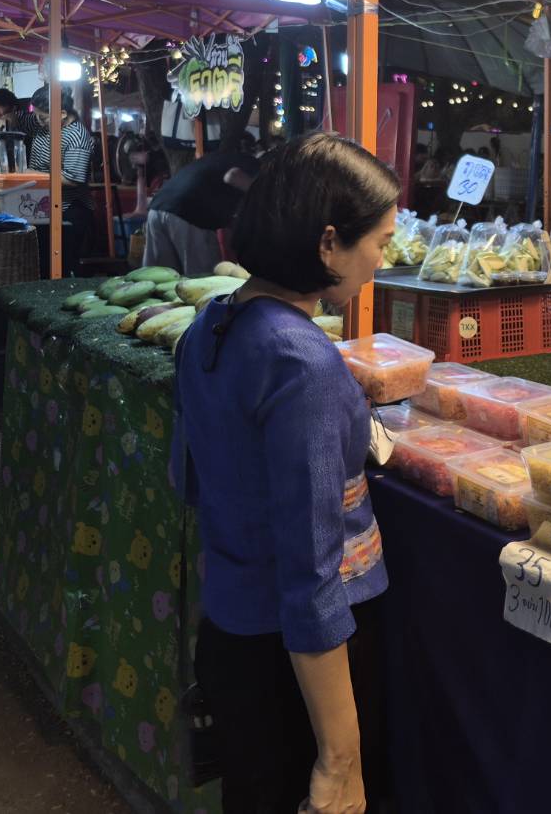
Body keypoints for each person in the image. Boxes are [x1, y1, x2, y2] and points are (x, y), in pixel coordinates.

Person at [171, 133, 400, 814]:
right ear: (328, 242)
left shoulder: (210, 323)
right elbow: (310, 577)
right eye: (380, 242)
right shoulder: (302, 364)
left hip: (232, 632)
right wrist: (339, 760)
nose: (381, 261)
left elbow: (188, 478)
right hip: (298, 665)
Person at [142, 149, 261, 274]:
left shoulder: (221, 157)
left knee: (161, 278)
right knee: (202, 280)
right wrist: (260, 193)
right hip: (190, 214)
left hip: (158, 207)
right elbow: (232, 175)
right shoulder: (254, 165)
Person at [29, 85, 95, 275]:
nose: (39, 122)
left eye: (43, 118)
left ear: (62, 113)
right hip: (44, 207)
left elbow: (72, 179)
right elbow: (17, 119)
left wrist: (32, 175)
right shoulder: (44, 124)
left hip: (70, 211)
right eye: (37, 116)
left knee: (62, 265)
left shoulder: (77, 136)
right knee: (42, 263)